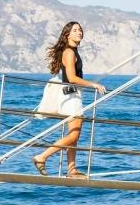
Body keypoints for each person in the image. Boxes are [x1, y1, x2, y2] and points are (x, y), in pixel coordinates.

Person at [34, 21, 106, 176]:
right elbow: (72, 78)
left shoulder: (72, 51)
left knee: (74, 135)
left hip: (72, 96)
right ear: (67, 34)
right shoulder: (69, 52)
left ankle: (71, 169)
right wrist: (93, 84)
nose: (79, 32)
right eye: (75, 30)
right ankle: (42, 157)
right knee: (73, 135)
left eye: (80, 30)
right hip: (71, 97)